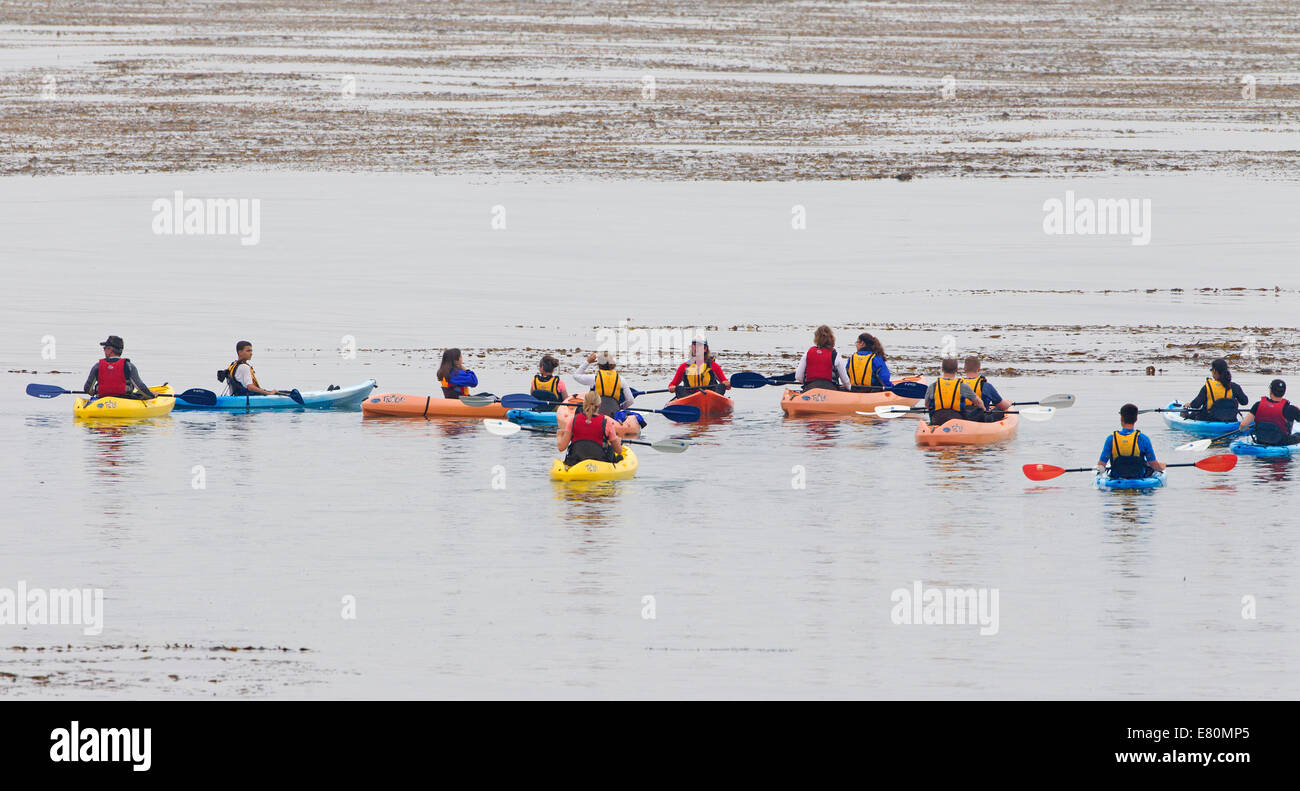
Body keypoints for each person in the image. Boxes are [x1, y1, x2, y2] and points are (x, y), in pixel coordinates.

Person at [1097, 403, 1166, 479]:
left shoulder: (1111, 439)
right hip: (1139, 480)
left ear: (1121, 418)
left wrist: (1100, 471)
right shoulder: (1143, 439)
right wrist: (1161, 467)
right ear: (1136, 419)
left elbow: (1101, 465)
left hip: (1117, 480)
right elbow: (1153, 464)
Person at [556, 391, 623, 466]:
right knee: (617, 455)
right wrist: (618, 440)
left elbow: (561, 448)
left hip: (576, 462)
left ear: (584, 404)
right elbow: (618, 450)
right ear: (599, 405)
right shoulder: (606, 423)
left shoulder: (573, 421)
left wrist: (559, 435)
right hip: (600, 464)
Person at [83, 335, 155, 400]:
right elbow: (140, 387)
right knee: (139, 395)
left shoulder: (97, 366)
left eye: (105, 348)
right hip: (125, 401)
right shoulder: (129, 366)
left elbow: (87, 389)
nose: (104, 350)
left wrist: (94, 393)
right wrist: (151, 396)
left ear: (110, 350)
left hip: (102, 400)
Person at [1182, 358, 1248, 422]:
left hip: (1210, 419)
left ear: (1214, 371)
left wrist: (1189, 405)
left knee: (1193, 414)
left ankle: (1184, 416)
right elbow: (1244, 402)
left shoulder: (1208, 387)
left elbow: (1196, 405)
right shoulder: (1234, 387)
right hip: (1230, 419)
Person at [1238, 379, 1300, 446]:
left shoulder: (1258, 405)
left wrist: (1243, 429)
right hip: (1281, 443)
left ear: (1270, 391)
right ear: (1284, 392)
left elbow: (1243, 425)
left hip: (1260, 441)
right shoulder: (1290, 409)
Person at [924, 358, 983, 425]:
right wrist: (983, 410)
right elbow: (979, 403)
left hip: (937, 419)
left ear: (942, 369)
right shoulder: (962, 386)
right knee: (979, 411)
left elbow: (927, 404)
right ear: (957, 370)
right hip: (956, 420)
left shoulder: (933, 386)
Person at [218, 341, 286, 396]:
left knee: (276, 392)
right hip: (247, 397)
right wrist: (268, 393)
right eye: (248, 351)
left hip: (236, 396)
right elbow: (250, 387)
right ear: (240, 352)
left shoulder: (233, 364)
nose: (251, 353)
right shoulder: (244, 367)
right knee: (273, 392)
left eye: (251, 351)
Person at [794, 325, 849, 391]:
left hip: (810, 390)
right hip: (831, 391)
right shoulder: (836, 355)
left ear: (816, 338)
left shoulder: (807, 354)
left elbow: (798, 376)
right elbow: (845, 381)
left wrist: (805, 383)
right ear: (831, 338)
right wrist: (849, 388)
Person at [961, 356, 1013, 421]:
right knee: (999, 410)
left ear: (964, 369)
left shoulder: (958, 384)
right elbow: (1002, 406)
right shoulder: (986, 386)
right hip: (980, 418)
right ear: (979, 369)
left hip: (962, 416)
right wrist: (1009, 403)